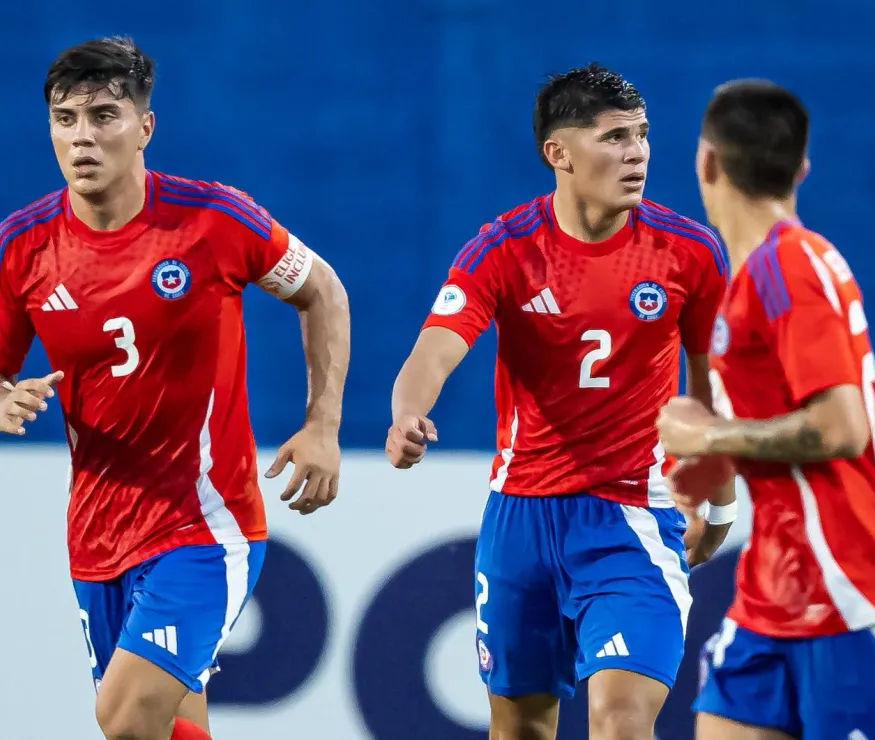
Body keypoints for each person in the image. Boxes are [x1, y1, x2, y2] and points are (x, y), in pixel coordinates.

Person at [0, 37, 351, 740]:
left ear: (145, 128)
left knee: (125, 718)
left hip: (205, 524)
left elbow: (324, 292)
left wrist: (322, 425)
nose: (83, 137)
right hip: (96, 533)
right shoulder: (23, 246)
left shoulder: (214, 219)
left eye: (104, 115)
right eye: (65, 119)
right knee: (162, 729)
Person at [386, 62, 735, 739]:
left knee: (621, 721)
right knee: (520, 729)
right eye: (613, 138)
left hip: (634, 516)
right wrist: (407, 413)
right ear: (559, 153)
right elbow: (434, 349)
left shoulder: (690, 253)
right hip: (521, 518)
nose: (636, 153)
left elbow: (712, 388)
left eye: (642, 135)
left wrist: (718, 496)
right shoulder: (505, 249)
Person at [656, 79, 875, 740]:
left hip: (853, 588)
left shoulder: (790, 267)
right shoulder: (756, 276)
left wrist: (705, 433)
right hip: (773, 592)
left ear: (707, 161)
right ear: (802, 167)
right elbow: (753, 431)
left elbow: (840, 427)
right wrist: (703, 499)